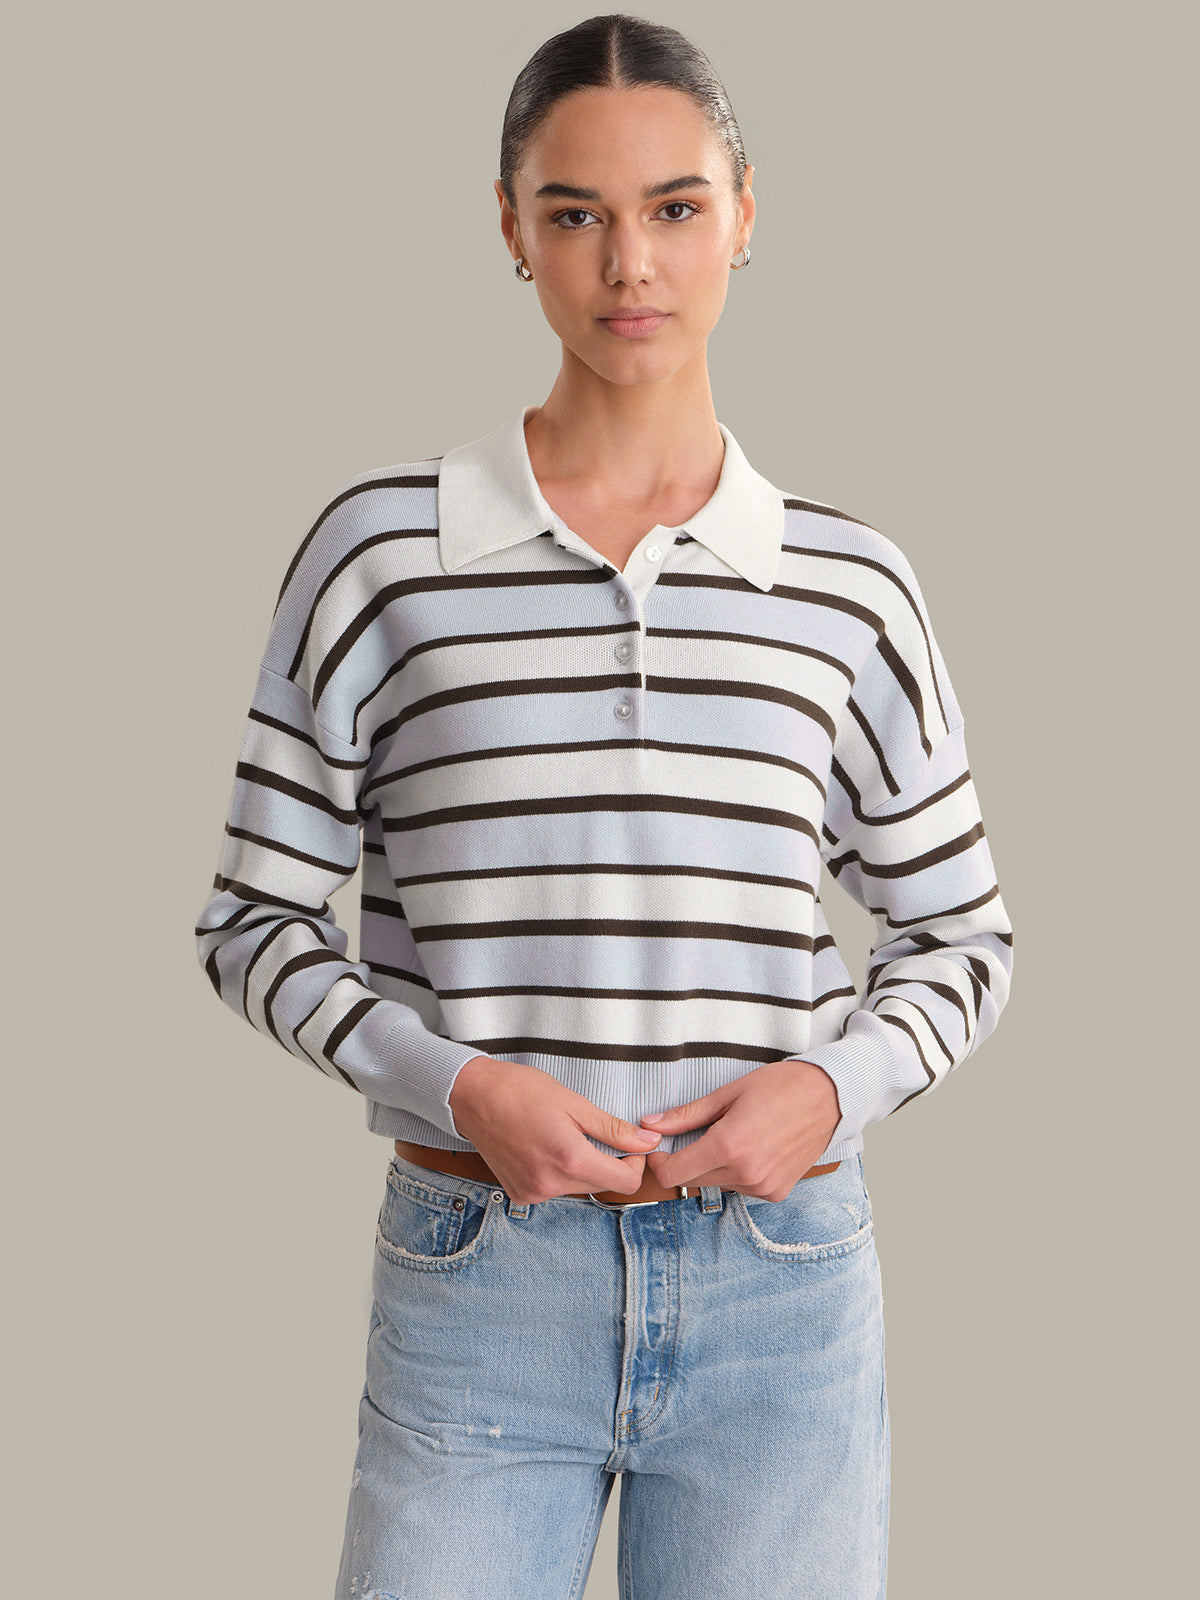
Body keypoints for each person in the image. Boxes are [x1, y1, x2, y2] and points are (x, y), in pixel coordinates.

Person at [194, 14, 1013, 1599]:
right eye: (575, 212)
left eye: (675, 207)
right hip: (479, 1276)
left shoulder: (851, 586)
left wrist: (829, 1094)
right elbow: (249, 921)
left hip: (783, 1292)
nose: (628, 261)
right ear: (510, 227)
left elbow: (960, 933)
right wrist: (456, 1085)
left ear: (747, 216)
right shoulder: (382, 555)